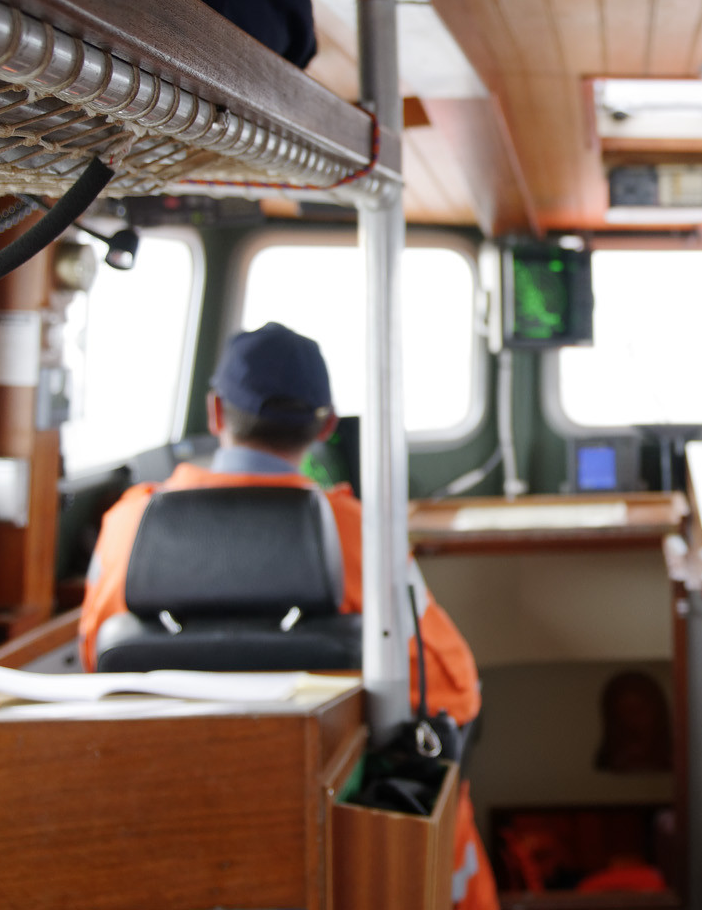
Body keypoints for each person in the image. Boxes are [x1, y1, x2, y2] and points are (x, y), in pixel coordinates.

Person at [79, 321, 498, 910]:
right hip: (332, 829)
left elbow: (94, 659)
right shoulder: (358, 533)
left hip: (158, 813)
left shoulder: (128, 526)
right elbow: (452, 690)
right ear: (326, 426)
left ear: (215, 410)